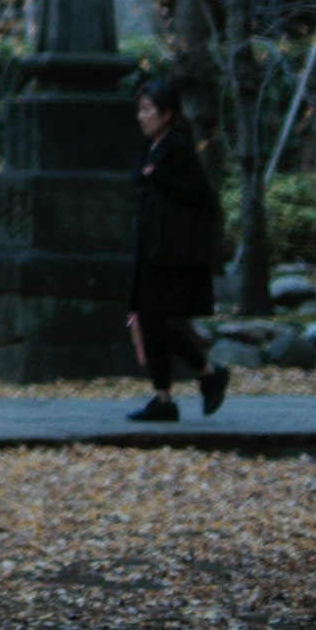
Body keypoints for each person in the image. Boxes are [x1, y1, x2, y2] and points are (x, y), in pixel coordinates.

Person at [127, 79, 227, 421]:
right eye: (139, 110)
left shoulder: (178, 146)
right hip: (150, 246)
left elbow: (200, 196)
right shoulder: (150, 147)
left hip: (170, 250)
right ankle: (165, 396)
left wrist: (160, 179)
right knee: (149, 319)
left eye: (147, 110)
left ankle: (205, 372)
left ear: (166, 114)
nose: (141, 117)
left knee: (154, 318)